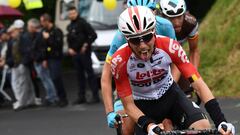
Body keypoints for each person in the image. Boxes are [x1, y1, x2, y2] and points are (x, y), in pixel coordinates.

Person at [111, 6, 235, 135]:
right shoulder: (119, 60)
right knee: (126, 131)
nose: (143, 46)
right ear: (127, 39)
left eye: (147, 37)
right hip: (141, 104)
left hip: (170, 96)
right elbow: (129, 105)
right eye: (136, 40)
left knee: (202, 125)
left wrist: (221, 121)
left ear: (154, 31)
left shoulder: (170, 46)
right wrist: (148, 125)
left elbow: (198, 83)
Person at [101, 0, 176, 134]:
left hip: (160, 82)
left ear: (155, 12)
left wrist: (175, 88)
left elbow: (176, 62)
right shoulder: (120, 36)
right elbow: (106, 77)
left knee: (168, 124)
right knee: (126, 129)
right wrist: (110, 112)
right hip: (130, 89)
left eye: (148, 12)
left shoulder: (165, 26)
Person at [159, 0, 200, 89]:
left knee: (188, 83)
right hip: (160, 55)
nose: (177, 22)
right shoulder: (157, 25)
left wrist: (194, 80)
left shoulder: (191, 23)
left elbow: (194, 50)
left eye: (179, 17)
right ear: (163, 16)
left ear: (184, 14)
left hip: (176, 53)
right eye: (172, 18)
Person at [67, 6, 99, 104]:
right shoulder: (70, 26)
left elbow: (93, 35)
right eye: (70, 14)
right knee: (79, 76)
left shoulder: (83, 23)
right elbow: (69, 39)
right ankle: (81, 97)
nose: (72, 15)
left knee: (90, 74)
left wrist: (86, 44)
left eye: (73, 13)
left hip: (84, 53)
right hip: (75, 54)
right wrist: (70, 48)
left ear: (77, 13)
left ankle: (95, 96)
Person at [40, 13, 68, 107]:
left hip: (56, 58)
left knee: (57, 77)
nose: (41, 24)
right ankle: (58, 98)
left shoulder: (57, 31)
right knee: (53, 78)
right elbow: (44, 46)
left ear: (47, 21)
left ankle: (63, 98)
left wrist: (49, 38)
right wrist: (44, 59)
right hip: (49, 58)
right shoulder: (44, 31)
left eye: (42, 21)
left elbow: (58, 45)